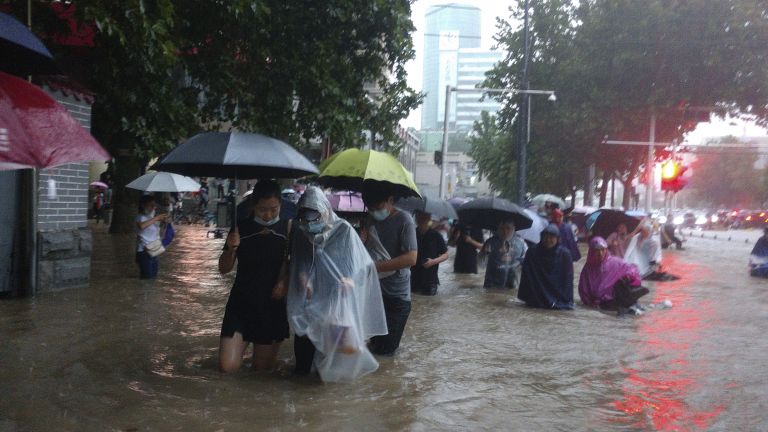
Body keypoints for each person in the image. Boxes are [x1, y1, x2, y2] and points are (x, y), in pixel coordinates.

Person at [287, 187, 387, 381]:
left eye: (314, 220)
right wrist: (303, 276)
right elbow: (300, 262)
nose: (309, 225)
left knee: (334, 356)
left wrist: (350, 279)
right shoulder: (301, 232)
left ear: (325, 212)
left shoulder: (344, 231)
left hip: (335, 303)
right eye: (305, 221)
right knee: (303, 364)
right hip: (310, 302)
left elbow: (360, 264)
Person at [217, 180, 290, 373]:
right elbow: (224, 269)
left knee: (261, 370)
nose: (268, 214)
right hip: (241, 303)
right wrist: (231, 250)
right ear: (253, 206)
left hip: (271, 305)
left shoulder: (288, 229)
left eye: (273, 209)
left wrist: (284, 283)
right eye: (262, 209)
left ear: (280, 205)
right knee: (228, 368)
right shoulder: (240, 228)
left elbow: (294, 264)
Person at [362, 187, 418, 356]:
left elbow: (411, 258)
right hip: (375, 294)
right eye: (370, 208)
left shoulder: (404, 220)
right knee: (373, 348)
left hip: (397, 298)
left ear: (390, 201)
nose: (374, 212)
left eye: (378, 207)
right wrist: (361, 241)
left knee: (386, 353)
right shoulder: (370, 220)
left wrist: (376, 266)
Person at [578, 237, 649, 311]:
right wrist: (591, 304)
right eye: (597, 251)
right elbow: (584, 292)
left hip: (618, 301)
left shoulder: (615, 262)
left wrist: (627, 277)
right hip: (601, 306)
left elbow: (633, 270)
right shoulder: (587, 270)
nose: (600, 253)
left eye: (603, 250)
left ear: (606, 250)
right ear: (592, 252)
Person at [517, 223, 574, 310]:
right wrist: (526, 296)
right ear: (541, 237)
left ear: (557, 239)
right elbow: (526, 276)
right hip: (536, 295)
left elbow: (568, 280)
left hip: (557, 297)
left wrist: (567, 300)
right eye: (545, 237)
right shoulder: (533, 251)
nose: (548, 240)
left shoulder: (565, 254)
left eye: (551, 237)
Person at [480, 219, 527, 289]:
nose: (505, 232)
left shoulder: (521, 243)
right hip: (492, 286)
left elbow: (526, 263)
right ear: (498, 229)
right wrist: (484, 253)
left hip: (513, 285)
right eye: (502, 228)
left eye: (508, 228)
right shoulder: (490, 242)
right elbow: (480, 265)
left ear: (514, 228)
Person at [411, 211, 449, 296]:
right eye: (419, 218)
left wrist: (433, 261)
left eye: (424, 218)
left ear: (429, 218)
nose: (421, 220)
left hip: (430, 279)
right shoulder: (411, 233)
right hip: (413, 277)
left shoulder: (436, 235)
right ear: (416, 219)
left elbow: (446, 255)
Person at [135, 195, 168, 279]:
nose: (153, 207)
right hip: (144, 250)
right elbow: (142, 226)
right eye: (151, 205)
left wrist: (164, 223)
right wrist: (156, 218)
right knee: (147, 277)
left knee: (153, 277)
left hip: (154, 249)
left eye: (154, 205)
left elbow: (160, 234)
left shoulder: (151, 218)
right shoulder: (140, 217)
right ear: (143, 205)